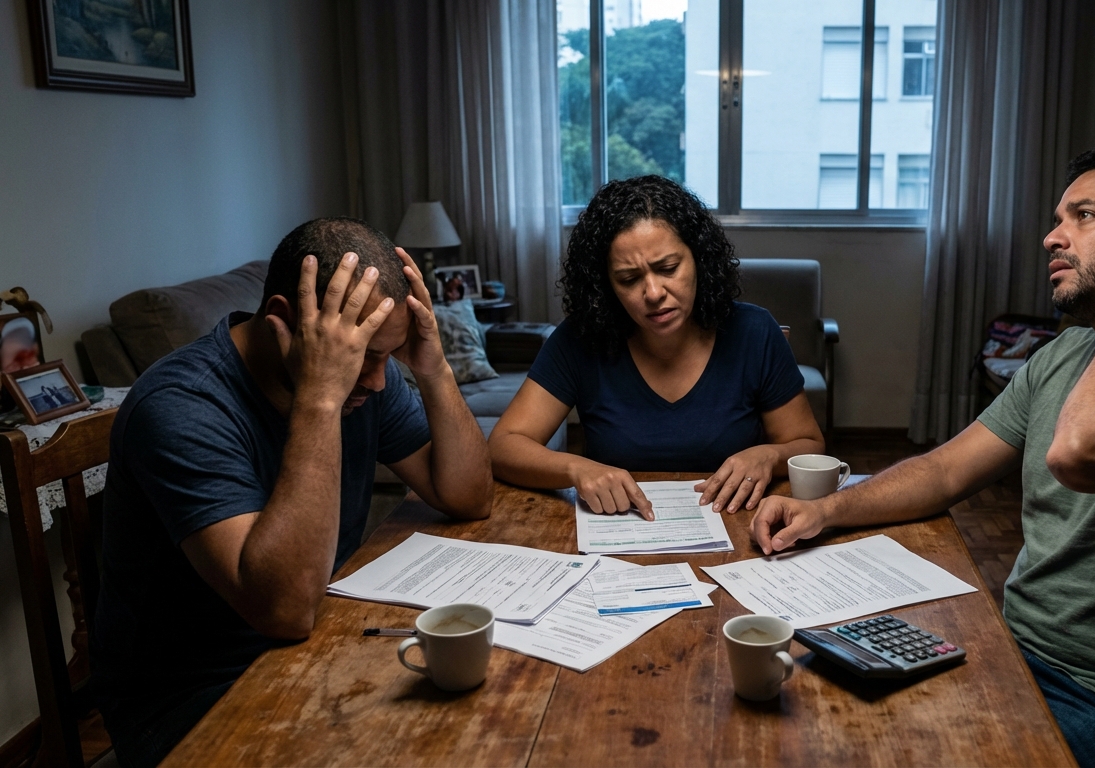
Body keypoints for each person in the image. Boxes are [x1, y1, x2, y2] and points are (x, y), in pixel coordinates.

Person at [750, 147, 1095, 766]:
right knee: (805, 718)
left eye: (1083, 216)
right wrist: (825, 513)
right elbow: (946, 469)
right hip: (1013, 653)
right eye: (1057, 218)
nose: (1051, 237)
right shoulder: (1065, 355)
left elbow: (1082, 454)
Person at [91, 217, 492, 767]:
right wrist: (322, 396)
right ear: (283, 320)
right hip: (194, 700)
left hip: (323, 641)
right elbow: (284, 609)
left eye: (387, 355)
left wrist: (433, 366)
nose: (378, 382)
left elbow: (469, 497)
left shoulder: (366, 376)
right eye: (364, 358)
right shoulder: (179, 407)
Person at [490, 175, 824, 519]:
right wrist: (575, 468)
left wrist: (768, 455)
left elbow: (808, 445)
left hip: (737, 532)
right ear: (605, 286)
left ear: (700, 260)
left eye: (668, 268)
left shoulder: (754, 331)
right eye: (629, 279)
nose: (652, 293)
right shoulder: (580, 338)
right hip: (618, 538)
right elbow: (504, 445)